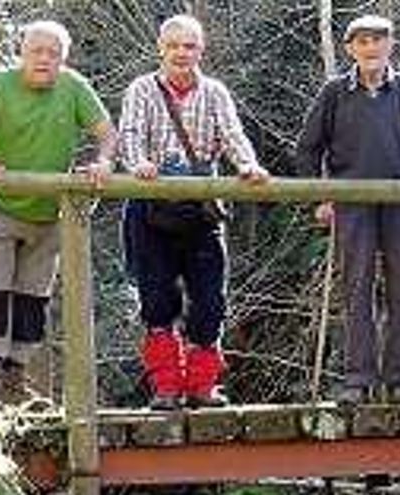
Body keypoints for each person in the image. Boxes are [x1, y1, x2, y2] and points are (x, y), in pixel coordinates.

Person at [0, 20, 116, 403]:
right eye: (37, 51)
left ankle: (17, 390)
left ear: (63, 60)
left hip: (48, 214)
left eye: (54, 54)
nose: (45, 59)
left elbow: (107, 133)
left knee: (32, 302)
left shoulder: (73, 88)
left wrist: (102, 162)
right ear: (22, 52)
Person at [295, 14, 400, 404]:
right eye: (362, 41)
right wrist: (319, 195)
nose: (371, 48)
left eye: (378, 40)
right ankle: (357, 379)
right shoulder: (334, 93)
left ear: (390, 45)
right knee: (356, 287)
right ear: (350, 49)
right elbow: (308, 147)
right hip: (352, 203)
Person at [119, 14, 269, 409]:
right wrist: (138, 165)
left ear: (201, 50)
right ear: (161, 49)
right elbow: (130, 135)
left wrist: (247, 166)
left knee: (210, 299)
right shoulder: (141, 89)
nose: (182, 54)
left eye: (190, 46)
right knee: (156, 300)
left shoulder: (215, 92)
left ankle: (203, 385)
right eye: (175, 46)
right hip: (151, 205)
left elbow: (233, 135)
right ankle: (166, 387)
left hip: (201, 208)